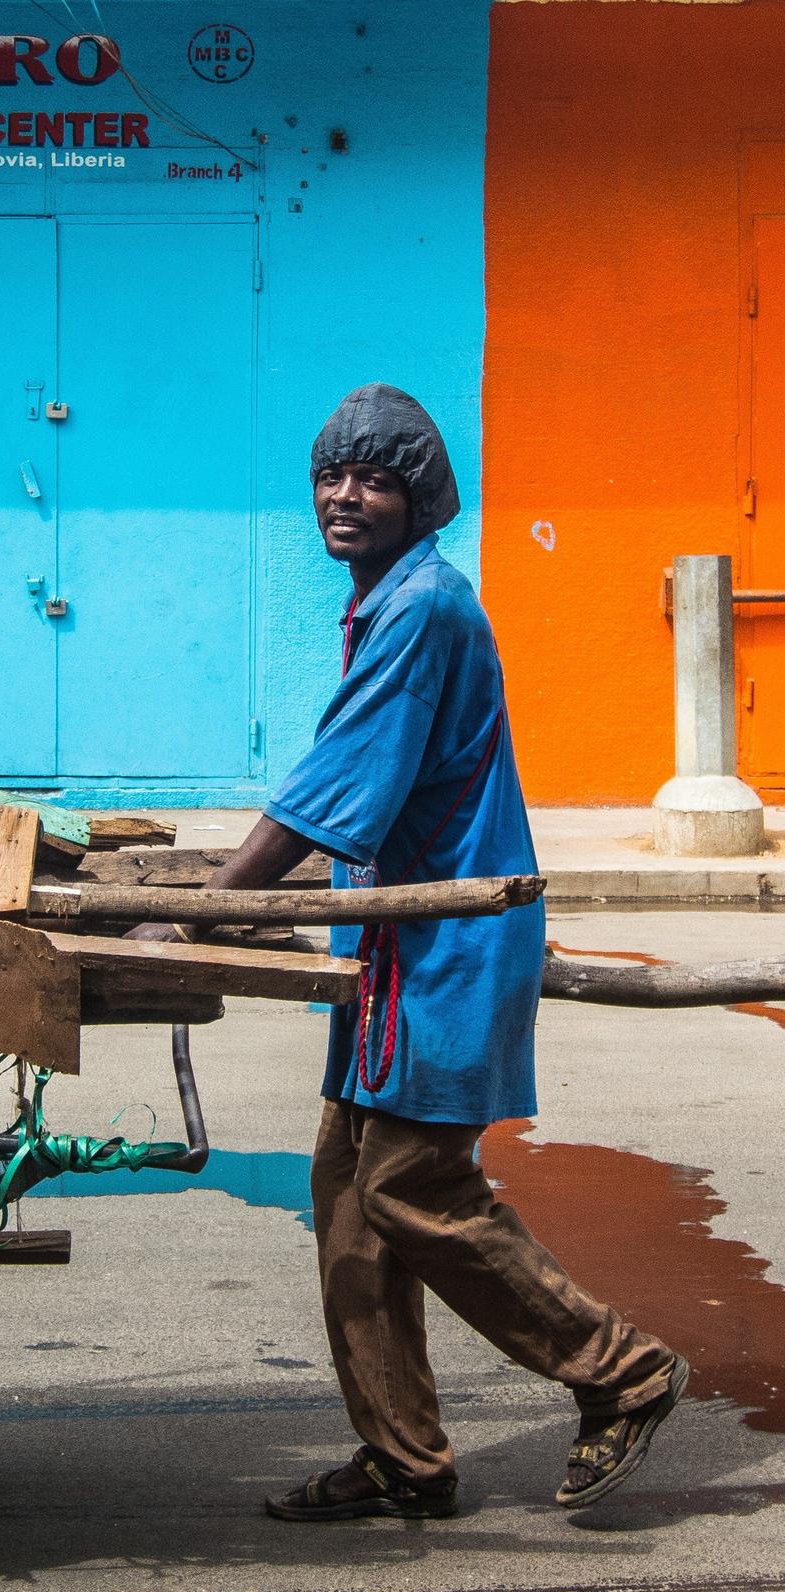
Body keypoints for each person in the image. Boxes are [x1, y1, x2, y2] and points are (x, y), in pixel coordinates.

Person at [135, 384, 687, 1517]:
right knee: (346, 1195)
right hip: (394, 942)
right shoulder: (390, 600)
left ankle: (622, 1371)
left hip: (448, 948)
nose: (345, 495)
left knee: (406, 1182)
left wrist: (203, 911)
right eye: (332, 474)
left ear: (419, 496)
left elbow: (331, 786)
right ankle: (405, 1456)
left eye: (375, 478)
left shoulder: (427, 609)